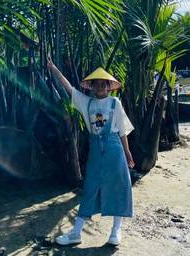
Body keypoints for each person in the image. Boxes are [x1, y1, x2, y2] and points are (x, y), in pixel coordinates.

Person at [47, 58, 134, 247]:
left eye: (104, 84)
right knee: (91, 187)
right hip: (95, 149)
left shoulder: (115, 102)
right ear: (92, 86)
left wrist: (127, 152)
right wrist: (54, 69)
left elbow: (122, 130)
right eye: (97, 84)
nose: (101, 87)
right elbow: (69, 88)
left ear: (109, 87)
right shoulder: (86, 102)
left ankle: (115, 231)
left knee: (119, 185)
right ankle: (76, 233)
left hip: (114, 148)